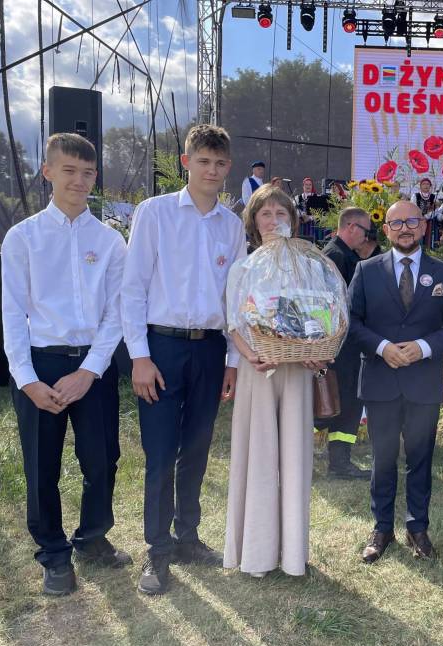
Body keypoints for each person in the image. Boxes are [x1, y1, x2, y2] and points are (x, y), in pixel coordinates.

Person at [2, 133, 130, 596]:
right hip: (40, 363)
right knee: (42, 466)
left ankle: (92, 538)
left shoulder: (110, 241)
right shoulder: (23, 237)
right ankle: (54, 555)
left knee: (102, 459)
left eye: (88, 172)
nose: (79, 181)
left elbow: (116, 313)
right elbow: (13, 313)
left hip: (93, 366)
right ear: (48, 172)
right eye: (69, 171)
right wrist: (27, 380)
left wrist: (90, 371)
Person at [122, 124, 246, 595]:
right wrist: (139, 357)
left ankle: (188, 537)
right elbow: (132, 289)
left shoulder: (232, 226)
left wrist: (232, 360)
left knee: (196, 447)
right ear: (185, 162)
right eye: (203, 161)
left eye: (220, 163)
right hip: (162, 347)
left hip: (210, 348)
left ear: (228, 167)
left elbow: (236, 300)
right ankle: (157, 551)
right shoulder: (154, 213)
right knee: (160, 453)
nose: (211, 171)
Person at [223, 186, 335, 577]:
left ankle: (292, 555)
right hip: (258, 371)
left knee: (295, 458)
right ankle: (256, 554)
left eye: (281, 213)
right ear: (254, 222)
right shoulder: (243, 267)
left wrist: (317, 351)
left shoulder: (311, 267)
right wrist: (250, 354)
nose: (274, 221)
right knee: (259, 457)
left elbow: (325, 315)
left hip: (298, 372)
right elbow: (234, 322)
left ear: (293, 219)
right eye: (266, 214)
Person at [349, 200, 443, 563]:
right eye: (396, 223)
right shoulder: (366, 270)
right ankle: (382, 527)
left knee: (421, 459)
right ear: (385, 230)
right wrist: (382, 347)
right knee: (383, 458)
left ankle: (418, 528)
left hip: (422, 382)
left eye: (412, 221)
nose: (404, 228)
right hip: (381, 380)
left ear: (424, 226)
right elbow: (351, 322)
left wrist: (424, 347)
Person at [316, 207, 381, 478]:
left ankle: (339, 461)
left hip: (346, 345)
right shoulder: (336, 257)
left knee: (346, 404)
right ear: (352, 227)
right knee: (339, 404)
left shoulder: (342, 255)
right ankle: (338, 463)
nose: (367, 238)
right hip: (341, 347)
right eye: (366, 232)